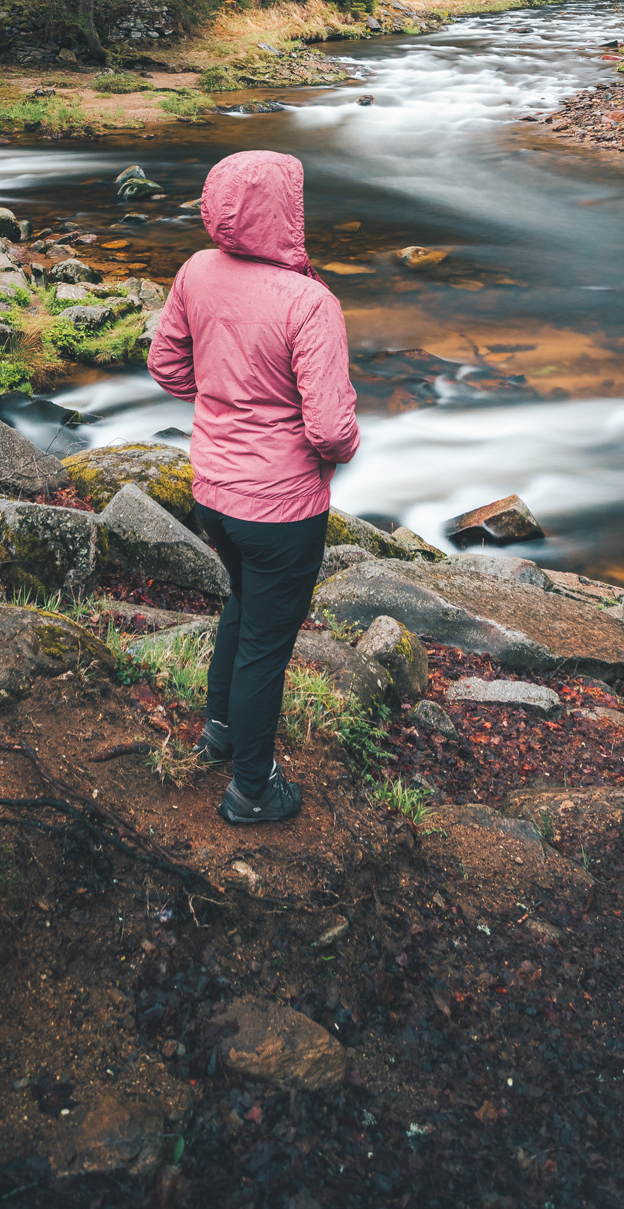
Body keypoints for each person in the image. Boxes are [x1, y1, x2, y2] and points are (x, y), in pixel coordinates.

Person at [146, 148, 358, 825]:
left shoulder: (196, 271)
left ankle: (221, 732)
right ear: (285, 212)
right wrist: (347, 445)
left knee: (242, 606)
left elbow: (165, 366)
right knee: (268, 641)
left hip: (212, 493)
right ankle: (252, 789)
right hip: (281, 508)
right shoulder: (310, 302)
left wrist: (221, 400)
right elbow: (328, 429)